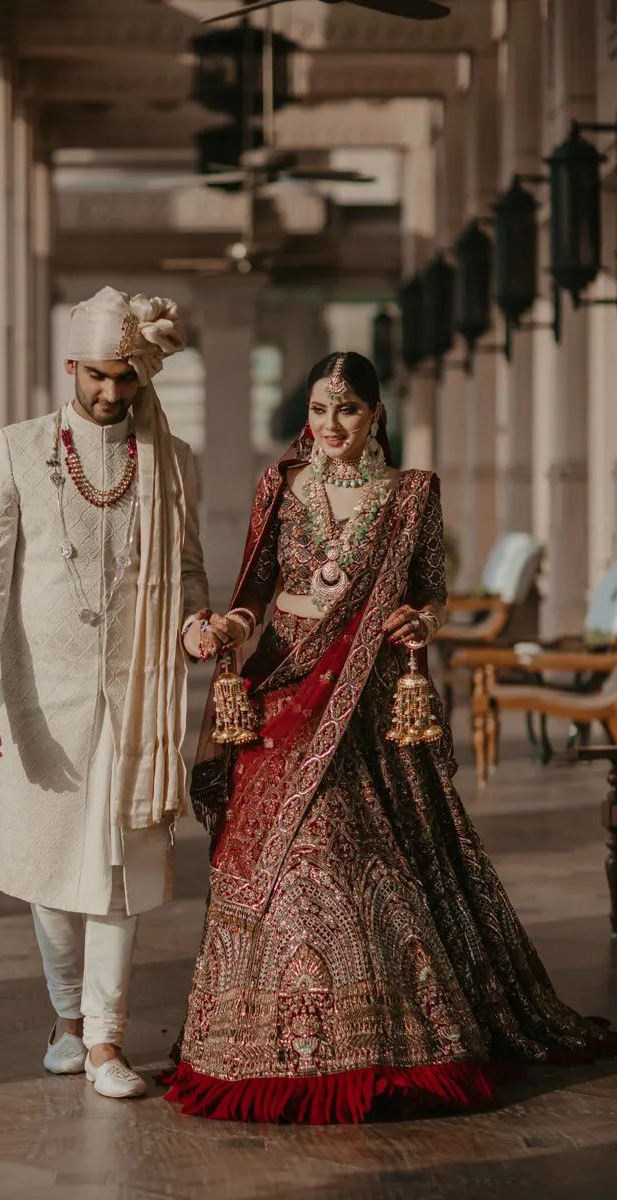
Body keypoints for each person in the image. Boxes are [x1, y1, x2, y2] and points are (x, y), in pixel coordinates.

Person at [164, 350, 615, 1124]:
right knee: (278, 856)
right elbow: (257, 590)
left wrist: (421, 620)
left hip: (368, 702)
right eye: (317, 410)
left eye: (346, 410)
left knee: (352, 852)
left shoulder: (410, 496)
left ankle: (393, 1044)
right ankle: (256, 1044)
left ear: (375, 416)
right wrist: (224, 628)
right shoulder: (281, 487)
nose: (329, 426)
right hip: (283, 693)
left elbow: (431, 594)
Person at [0, 286, 228, 1098]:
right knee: (50, 874)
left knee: (122, 869)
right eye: (101, 376)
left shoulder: (172, 460)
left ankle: (106, 1042)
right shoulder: (17, 449)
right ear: (70, 366)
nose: (113, 393)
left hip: (138, 691)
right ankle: (67, 1018)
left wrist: (194, 624)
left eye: (129, 380)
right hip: (40, 693)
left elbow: (188, 569)